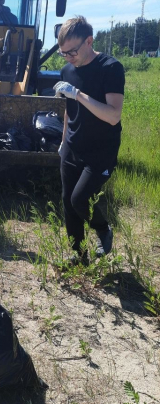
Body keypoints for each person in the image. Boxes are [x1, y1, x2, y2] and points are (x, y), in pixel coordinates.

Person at [54, 16, 125, 264]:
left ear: (89, 41)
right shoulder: (67, 70)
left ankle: (103, 230)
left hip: (100, 151)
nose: (68, 57)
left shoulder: (110, 68)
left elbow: (113, 115)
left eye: (72, 51)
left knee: (80, 200)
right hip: (72, 147)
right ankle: (79, 256)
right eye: (63, 53)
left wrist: (78, 94)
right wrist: (64, 142)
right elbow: (68, 112)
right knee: (67, 202)